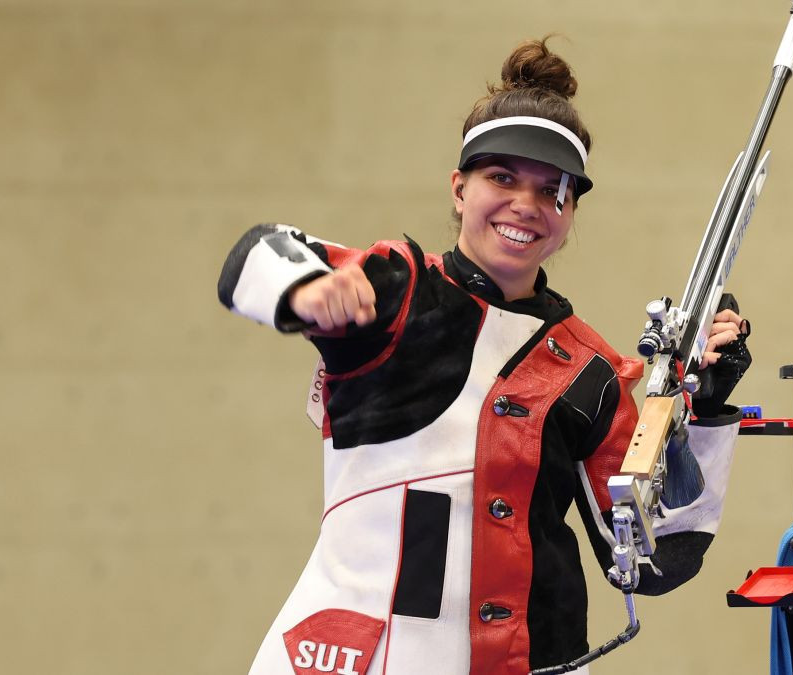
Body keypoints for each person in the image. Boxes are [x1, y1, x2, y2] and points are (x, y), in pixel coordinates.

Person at [217, 37, 751, 675]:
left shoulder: (591, 368)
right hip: (360, 657)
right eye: (502, 177)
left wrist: (706, 408)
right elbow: (262, 254)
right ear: (458, 188)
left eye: (552, 190)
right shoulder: (398, 287)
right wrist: (307, 288)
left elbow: (657, 557)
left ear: (572, 210)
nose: (526, 205)